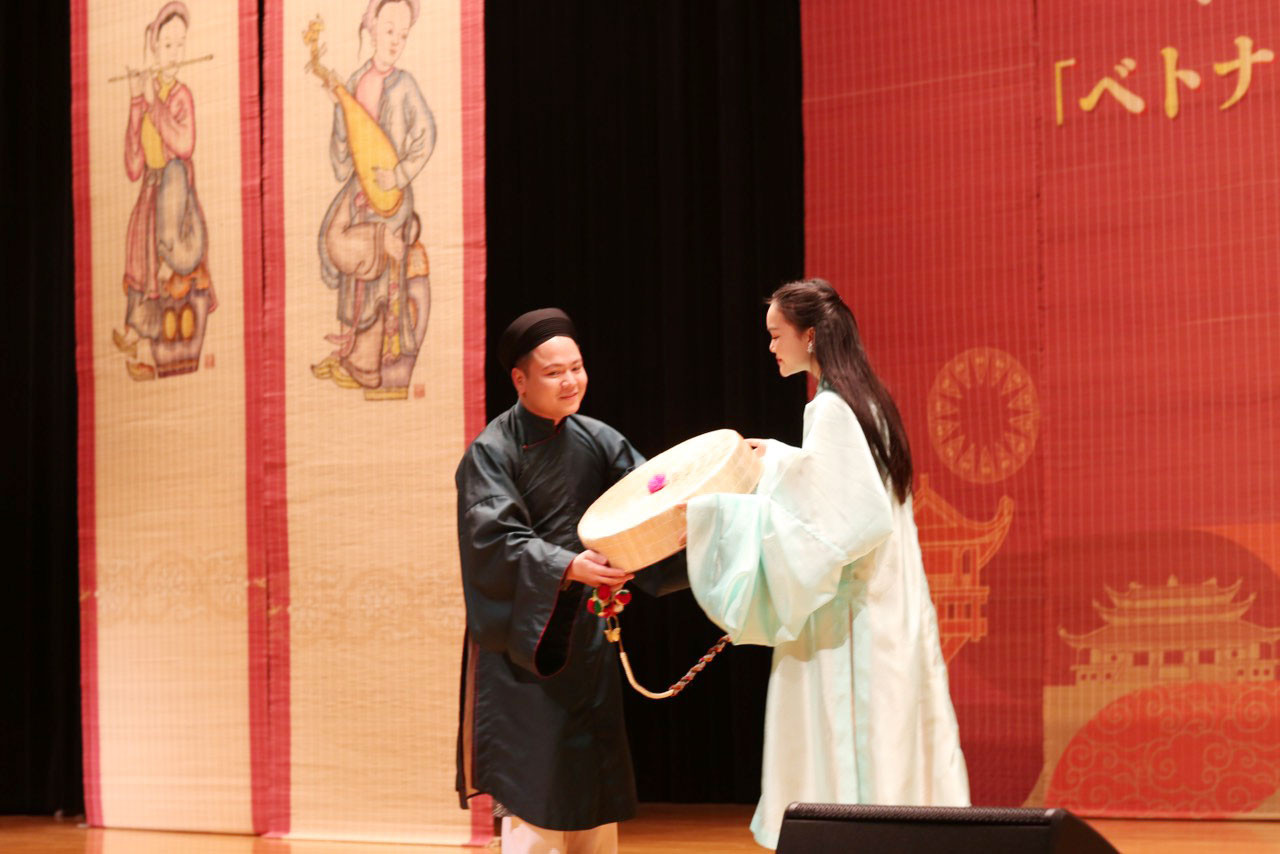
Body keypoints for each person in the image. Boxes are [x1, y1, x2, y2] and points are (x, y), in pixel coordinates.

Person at [683, 279, 970, 849]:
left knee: (856, 741)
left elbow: (850, 521)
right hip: (889, 603)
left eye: (776, 335)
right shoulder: (866, 400)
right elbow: (844, 492)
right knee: (897, 739)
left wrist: (722, 510)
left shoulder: (831, 409)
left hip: (852, 616)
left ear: (810, 335)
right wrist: (782, 459)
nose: (771, 347)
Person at [455, 308, 686, 854]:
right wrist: (569, 567)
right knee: (535, 788)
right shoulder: (491, 451)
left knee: (592, 790)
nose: (571, 381)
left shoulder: (598, 438)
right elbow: (494, 541)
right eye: (554, 372)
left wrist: (701, 507)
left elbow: (649, 496)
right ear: (520, 380)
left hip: (587, 640)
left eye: (577, 368)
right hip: (525, 641)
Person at [311, 0, 435, 400]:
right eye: (389, 31)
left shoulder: (405, 85)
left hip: (391, 198)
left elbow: (425, 135)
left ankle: (367, 366)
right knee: (336, 242)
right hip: (359, 189)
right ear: (371, 29)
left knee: (376, 267)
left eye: (403, 34)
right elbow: (343, 157)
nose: (395, 41)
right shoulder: (355, 80)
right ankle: (350, 355)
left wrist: (397, 174)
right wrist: (340, 114)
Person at [113, 1, 214, 381]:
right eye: (167, 45)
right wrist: (136, 101)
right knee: (141, 261)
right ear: (153, 49)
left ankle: (157, 353)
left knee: (168, 247)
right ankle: (140, 346)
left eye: (179, 45)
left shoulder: (180, 95)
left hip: (176, 197)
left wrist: (153, 103)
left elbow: (184, 145)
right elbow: (133, 166)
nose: (174, 54)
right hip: (151, 193)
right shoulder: (148, 95)